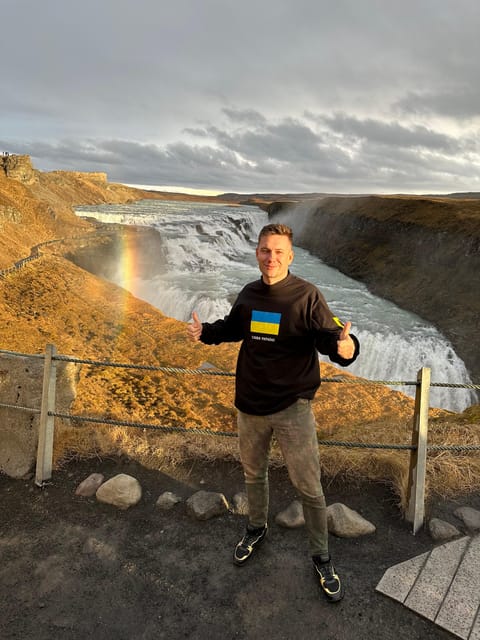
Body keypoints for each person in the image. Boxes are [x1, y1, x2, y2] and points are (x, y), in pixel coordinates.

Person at [187, 222, 359, 602]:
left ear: (290, 256)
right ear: (257, 253)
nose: (271, 257)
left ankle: (322, 556)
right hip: (250, 404)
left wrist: (347, 349)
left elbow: (331, 337)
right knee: (254, 473)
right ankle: (255, 527)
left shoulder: (307, 296)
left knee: (309, 486)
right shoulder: (249, 294)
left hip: (292, 408)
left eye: (279, 251)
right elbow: (234, 328)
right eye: (265, 250)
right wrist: (206, 333)